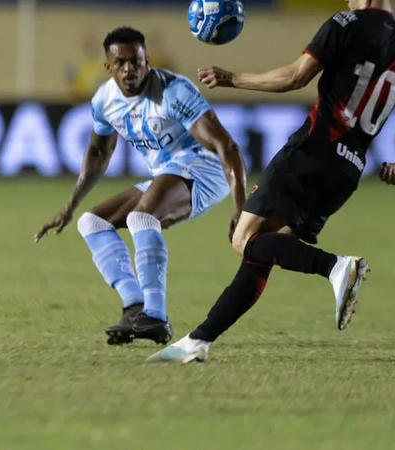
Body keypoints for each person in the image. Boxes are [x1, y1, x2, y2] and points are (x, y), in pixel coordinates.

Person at [147, 0, 395, 363]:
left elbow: (296, 77)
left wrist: (232, 79)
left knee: (244, 240)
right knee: (264, 252)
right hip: (348, 170)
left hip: (313, 151)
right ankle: (198, 342)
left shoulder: (347, 22)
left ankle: (336, 267)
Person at [34, 27, 247, 347]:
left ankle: (156, 318)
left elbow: (226, 146)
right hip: (167, 172)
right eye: (120, 63)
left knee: (140, 218)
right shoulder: (104, 101)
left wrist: (240, 207)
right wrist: (70, 206)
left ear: (147, 59)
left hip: (205, 169)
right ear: (108, 66)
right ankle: (135, 308)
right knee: (92, 223)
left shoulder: (173, 91)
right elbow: (98, 152)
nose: (129, 69)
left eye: (136, 61)